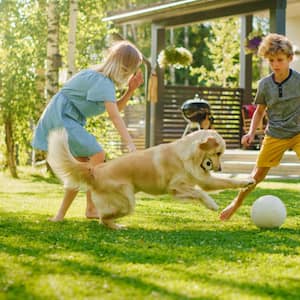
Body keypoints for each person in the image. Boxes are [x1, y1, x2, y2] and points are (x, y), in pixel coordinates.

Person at [32, 40, 144, 221]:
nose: (131, 74)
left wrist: (130, 91)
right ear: (125, 68)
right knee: (97, 154)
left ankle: (61, 215)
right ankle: (91, 208)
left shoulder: (102, 80)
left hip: (65, 118)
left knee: (81, 169)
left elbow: (115, 110)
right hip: (61, 118)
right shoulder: (103, 82)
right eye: (132, 70)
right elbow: (115, 117)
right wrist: (130, 144)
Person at [220, 33, 300, 221]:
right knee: (256, 175)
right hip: (275, 134)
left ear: (290, 58)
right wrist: (250, 132)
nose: (275, 64)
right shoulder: (264, 84)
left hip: (298, 132)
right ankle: (235, 204)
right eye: (271, 60)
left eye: (280, 60)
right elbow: (259, 111)